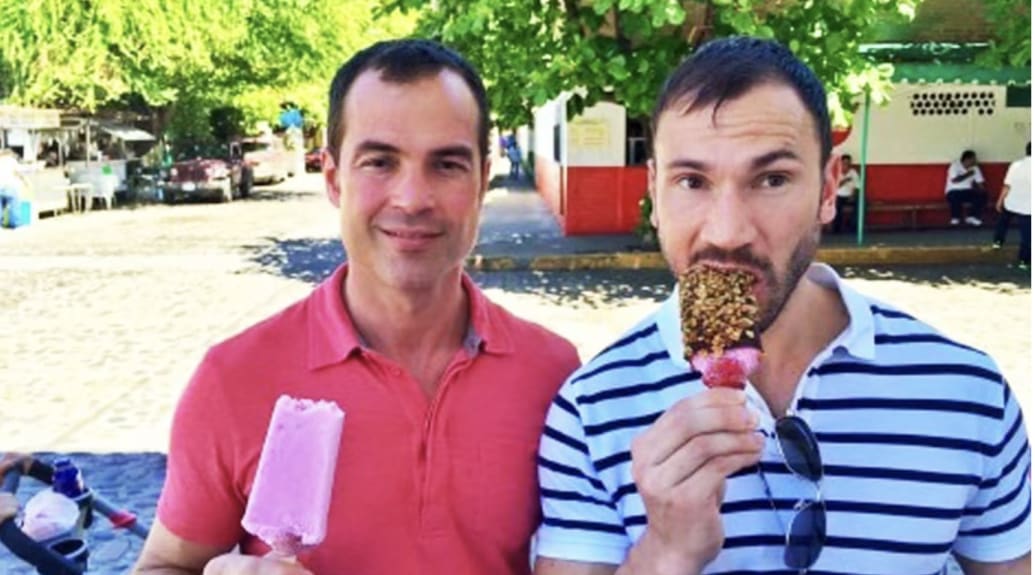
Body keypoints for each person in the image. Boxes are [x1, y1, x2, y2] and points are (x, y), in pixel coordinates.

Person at [534, 37, 1030, 575]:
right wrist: (667, 552)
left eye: (772, 179)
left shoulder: (969, 393)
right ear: (655, 193)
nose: (727, 232)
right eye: (691, 181)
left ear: (827, 187)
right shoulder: (589, 411)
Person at [133, 39, 580, 575]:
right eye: (379, 161)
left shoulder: (552, 373)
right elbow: (164, 564)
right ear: (332, 178)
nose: (412, 197)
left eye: (447, 164)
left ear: (483, 180)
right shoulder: (233, 379)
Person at [992, 142, 1030, 270]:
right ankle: (1024, 262)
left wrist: (999, 201)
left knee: (1003, 221)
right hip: (1029, 207)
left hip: (1012, 201)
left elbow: (1007, 186)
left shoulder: (1015, 165)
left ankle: (997, 242)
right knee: (1027, 237)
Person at [945, 149, 988, 226]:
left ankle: (971, 217)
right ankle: (955, 218)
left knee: (982, 195)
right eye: (973, 159)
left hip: (967, 191)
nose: (975, 161)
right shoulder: (955, 165)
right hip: (953, 191)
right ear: (967, 159)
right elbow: (955, 180)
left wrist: (983, 192)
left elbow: (980, 183)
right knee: (955, 196)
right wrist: (968, 174)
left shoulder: (975, 168)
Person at [831, 153, 858, 233]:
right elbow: (834, 187)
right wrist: (844, 180)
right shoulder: (836, 172)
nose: (846, 165)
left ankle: (853, 225)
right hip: (839, 196)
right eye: (844, 163)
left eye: (848, 163)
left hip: (850, 196)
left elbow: (857, 186)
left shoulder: (853, 172)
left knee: (861, 204)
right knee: (837, 206)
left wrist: (853, 195)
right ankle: (837, 229)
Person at [0, 149, 27, 226]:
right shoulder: (11, 161)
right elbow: (19, 172)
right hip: (10, 186)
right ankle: (15, 223)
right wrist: (25, 181)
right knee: (14, 205)